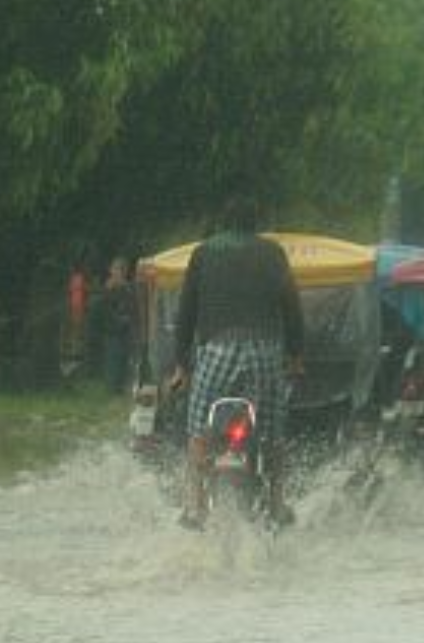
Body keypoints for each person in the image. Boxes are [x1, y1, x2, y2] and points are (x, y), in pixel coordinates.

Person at [166, 203, 305, 529]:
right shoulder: (273, 253)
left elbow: (186, 312)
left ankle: (195, 506)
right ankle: (276, 502)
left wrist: (181, 366)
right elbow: (292, 308)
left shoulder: (203, 253)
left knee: (199, 427)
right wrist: (296, 357)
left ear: (221, 224)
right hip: (264, 353)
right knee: (271, 430)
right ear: (256, 224)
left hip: (217, 351)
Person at [89, 257, 136, 393]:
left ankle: (121, 385)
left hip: (126, 328)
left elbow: (131, 306)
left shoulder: (128, 287)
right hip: (111, 328)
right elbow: (104, 308)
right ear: (111, 271)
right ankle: (112, 387)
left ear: (125, 272)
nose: (117, 272)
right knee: (112, 357)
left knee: (124, 358)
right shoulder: (107, 288)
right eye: (115, 269)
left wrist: (127, 319)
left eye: (120, 270)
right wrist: (117, 320)